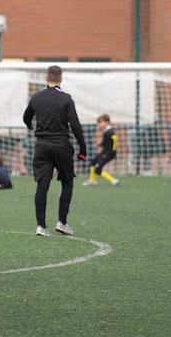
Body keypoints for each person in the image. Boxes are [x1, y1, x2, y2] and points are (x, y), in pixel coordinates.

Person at [22, 65, 87, 236]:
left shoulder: (36, 97)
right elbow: (75, 125)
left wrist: (30, 126)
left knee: (42, 185)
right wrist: (83, 148)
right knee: (67, 182)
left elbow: (26, 117)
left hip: (42, 146)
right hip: (61, 146)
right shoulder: (66, 99)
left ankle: (41, 226)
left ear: (45, 78)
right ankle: (62, 222)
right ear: (61, 79)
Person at [83, 114, 120, 186]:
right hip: (106, 152)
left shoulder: (109, 132)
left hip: (108, 153)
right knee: (93, 162)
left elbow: (109, 143)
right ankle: (92, 180)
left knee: (97, 169)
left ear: (107, 122)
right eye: (99, 123)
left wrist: (100, 144)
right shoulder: (109, 131)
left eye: (101, 122)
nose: (100, 124)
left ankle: (113, 181)